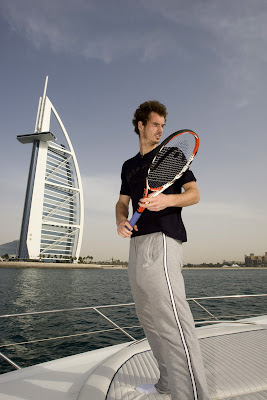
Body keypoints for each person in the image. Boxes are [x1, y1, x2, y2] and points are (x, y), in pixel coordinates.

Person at [115, 100, 210, 400]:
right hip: (137, 244)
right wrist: (121, 220)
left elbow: (193, 195)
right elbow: (122, 202)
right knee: (149, 318)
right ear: (140, 125)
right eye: (155, 124)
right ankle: (167, 383)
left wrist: (166, 201)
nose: (160, 130)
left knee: (173, 323)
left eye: (163, 126)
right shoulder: (129, 166)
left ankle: (193, 395)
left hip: (163, 242)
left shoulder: (172, 155)